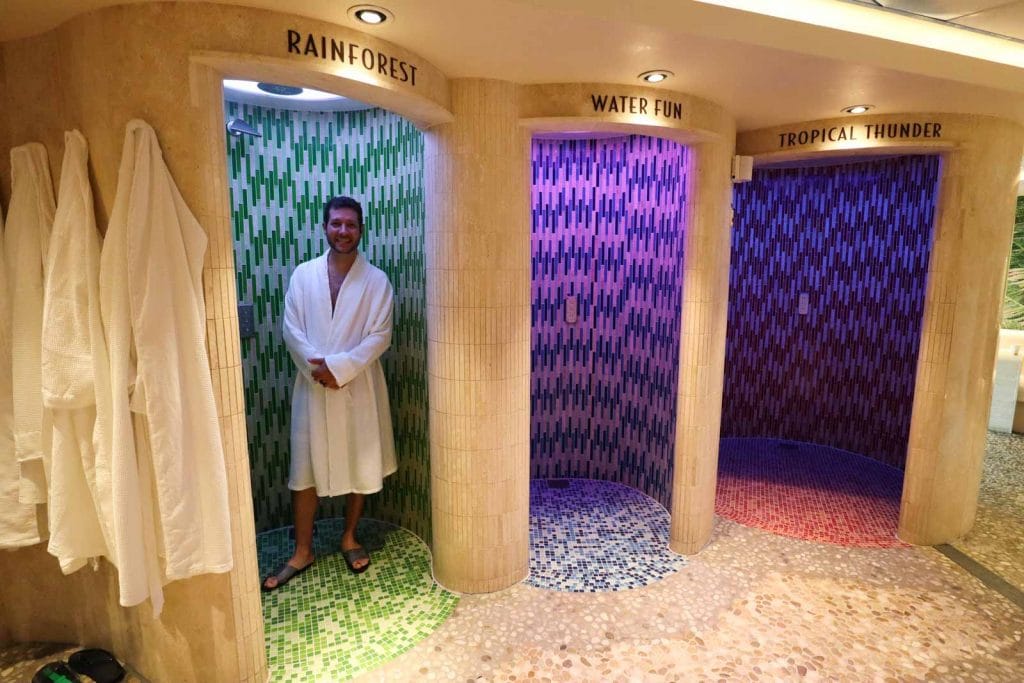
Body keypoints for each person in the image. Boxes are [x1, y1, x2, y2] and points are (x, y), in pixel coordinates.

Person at [262, 196, 397, 591]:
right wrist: (319, 369)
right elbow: (291, 330)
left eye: (350, 225)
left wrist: (341, 370)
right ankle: (302, 549)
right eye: (336, 223)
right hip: (313, 385)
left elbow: (380, 337)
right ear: (324, 227)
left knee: (360, 459)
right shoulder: (303, 276)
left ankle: (349, 537)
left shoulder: (377, 281)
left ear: (361, 229)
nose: (343, 231)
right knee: (304, 469)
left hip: (358, 387)